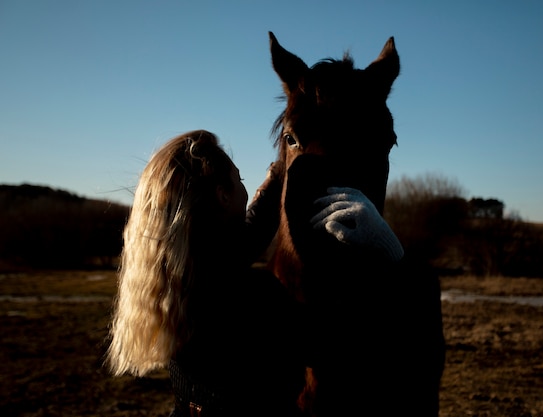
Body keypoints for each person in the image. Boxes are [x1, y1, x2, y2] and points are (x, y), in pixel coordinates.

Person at [105, 129, 404, 417]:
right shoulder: (255, 300)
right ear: (223, 196)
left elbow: (238, 243)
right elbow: (350, 344)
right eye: (240, 178)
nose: (245, 183)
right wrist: (391, 253)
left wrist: (275, 181)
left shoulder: (179, 278)